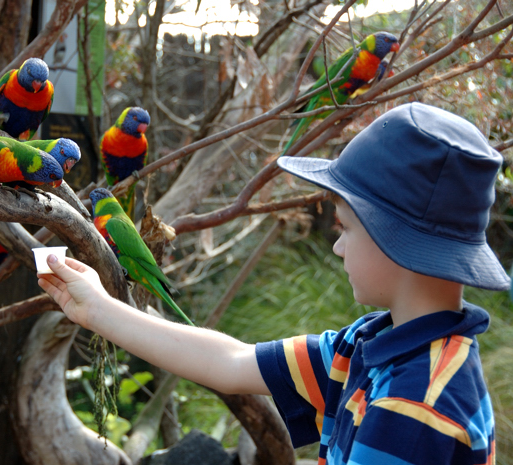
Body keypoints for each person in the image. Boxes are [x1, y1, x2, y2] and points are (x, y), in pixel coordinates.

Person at [37, 102, 509, 464]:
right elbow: (232, 361)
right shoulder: (368, 345)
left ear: (397, 239)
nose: (336, 247)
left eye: (344, 228)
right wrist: (96, 308)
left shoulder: (416, 406)